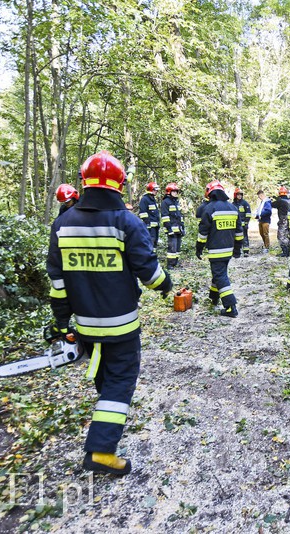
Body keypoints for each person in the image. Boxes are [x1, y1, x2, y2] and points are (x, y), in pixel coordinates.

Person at [46, 151, 172, 475]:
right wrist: (166, 285)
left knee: (106, 377)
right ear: (119, 185)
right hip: (122, 326)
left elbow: (58, 284)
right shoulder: (125, 222)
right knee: (120, 380)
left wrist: (61, 322)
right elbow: (148, 271)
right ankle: (101, 452)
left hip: (85, 324)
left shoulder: (62, 224)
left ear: (83, 183)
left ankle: (106, 414)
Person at [196, 180, 243, 317]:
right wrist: (237, 249)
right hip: (228, 250)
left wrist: (199, 248)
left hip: (216, 250)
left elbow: (203, 233)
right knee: (219, 273)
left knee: (220, 275)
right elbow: (239, 232)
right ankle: (214, 296)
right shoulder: (233, 208)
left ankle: (230, 307)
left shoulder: (209, 209)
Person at [161, 182, 184, 268]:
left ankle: (176, 262)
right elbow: (165, 217)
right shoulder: (165, 202)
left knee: (177, 248)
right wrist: (169, 229)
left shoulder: (176, 202)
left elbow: (179, 216)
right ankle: (170, 264)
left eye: (176, 191)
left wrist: (182, 227)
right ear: (169, 192)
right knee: (172, 248)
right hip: (171, 229)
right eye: (174, 191)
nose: (176, 193)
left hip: (178, 228)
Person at [139, 181, 160, 250]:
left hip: (155, 226)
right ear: (151, 190)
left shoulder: (153, 199)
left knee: (154, 244)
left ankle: (153, 257)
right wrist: (148, 223)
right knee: (150, 243)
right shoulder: (145, 199)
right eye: (155, 190)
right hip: (150, 227)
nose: (156, 191)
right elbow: (142, 213)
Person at [232, 187, 252, 256]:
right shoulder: (233, 204)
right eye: (238, 194)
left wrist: (246, 223)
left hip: (243, 224)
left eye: (241, 194)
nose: (239, 196)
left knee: (244, 237)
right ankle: (237, 251)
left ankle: (246, 251)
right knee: (235, 238)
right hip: (235, 225)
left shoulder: (245, 203)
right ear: (235, 195)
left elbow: (248, 213)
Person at [274, 186, 290, 257]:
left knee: (281, 236)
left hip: (283, 221)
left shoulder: (280, 201)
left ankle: (285, 252)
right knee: (287, 236)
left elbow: (272, 204)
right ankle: (288, 251)